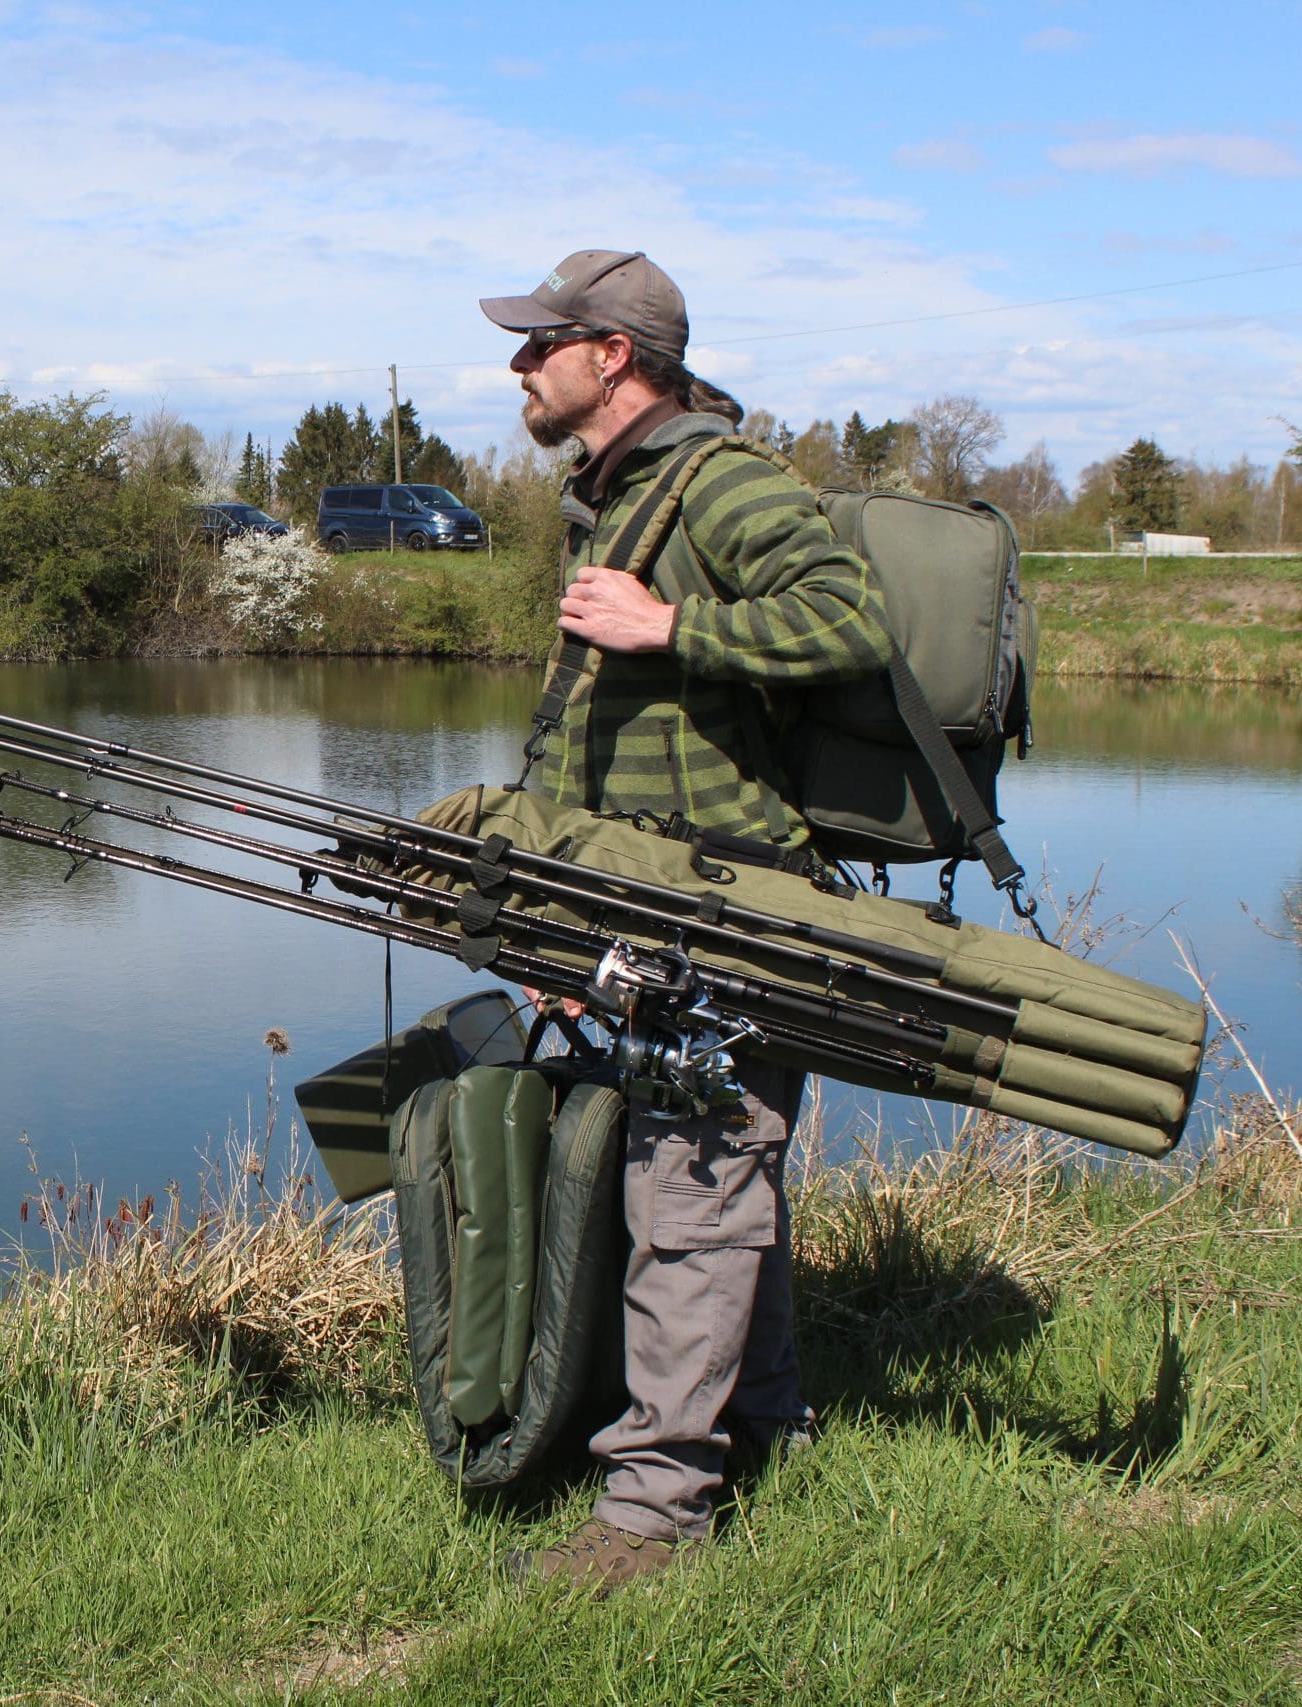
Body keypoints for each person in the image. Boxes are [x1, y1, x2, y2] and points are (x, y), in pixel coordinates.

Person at [478, 249, 893, 1592]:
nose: (518, 365)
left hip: (731, 900)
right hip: (635, 891)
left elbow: (852, 621)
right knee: (718, 1178)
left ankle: (656, 1515)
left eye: (542, 342)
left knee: (692, 1185)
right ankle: (766, 1424)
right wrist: (539, 913)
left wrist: (674, 628)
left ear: (616, 353)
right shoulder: (613, 496)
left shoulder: (721, 482)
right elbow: (580, 727)